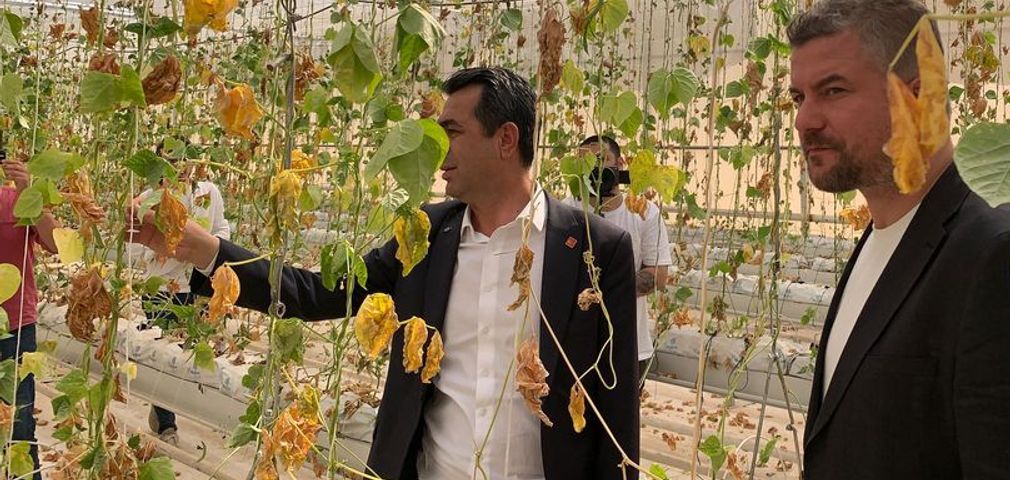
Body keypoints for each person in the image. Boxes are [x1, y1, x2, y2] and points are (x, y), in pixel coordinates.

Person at [128, 67, 639, 480]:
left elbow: (616, 412)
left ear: (506, 139)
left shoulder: (595, 249)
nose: (435, 148)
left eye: (451, 132)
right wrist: (204, 250)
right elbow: (316, 294)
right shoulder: (423, 236)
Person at [786, 0, 1010, 479]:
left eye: (834, 90)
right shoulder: (887, 232)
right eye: (798, 97)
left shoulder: (1006, 261)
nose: (805, 120)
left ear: (919, 95)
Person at [125, 154, 231, 446]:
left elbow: (222, 228)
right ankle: (166, 423)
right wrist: (161, 251)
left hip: (198, 287)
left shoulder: (208, 192)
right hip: (160, 290)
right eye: (169, 162)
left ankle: (171, 409)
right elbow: (133, 245)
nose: (177, 168)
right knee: (162, 355)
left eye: (183, 161)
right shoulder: (148, 199)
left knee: (189, 354)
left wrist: (204, 248)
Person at [577, 135, 671, 387]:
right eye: (584, 163)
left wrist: (604, 292)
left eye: (601, 160)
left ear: (619, 164)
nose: (594, 170)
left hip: (629, 345)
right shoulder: (567, 211)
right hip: (575, 345)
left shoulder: (643, 212)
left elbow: (658, 276)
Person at [0, 158, 60, 480]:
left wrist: (28, 190)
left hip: (16, 325)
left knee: (19, 420)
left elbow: (56, 243)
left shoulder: (18, 199)